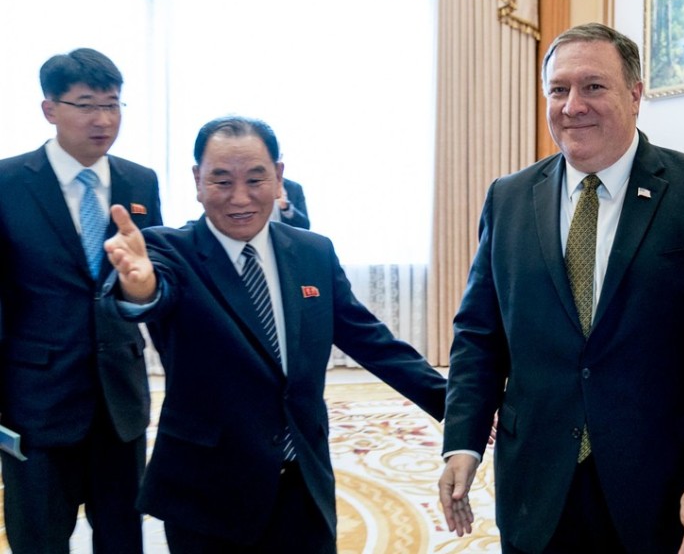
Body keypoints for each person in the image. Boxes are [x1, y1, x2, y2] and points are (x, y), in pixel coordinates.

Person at [438, 23, 684, 554]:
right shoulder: (508, 198)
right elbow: (480, 335)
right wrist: (462, 440)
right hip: (536, 481)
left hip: (660, 487)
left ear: (635, 94)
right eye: (559, 89)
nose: (573, 105)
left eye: (593, 86)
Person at [101, 115, 447, 552]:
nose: (239, 198)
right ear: (197, 180)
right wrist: (139, 285)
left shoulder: (311, 251)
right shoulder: (169, 250)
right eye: (222, 181)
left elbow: (368, 338)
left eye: (255, 179)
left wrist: (450, 401)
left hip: (302, 478)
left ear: (279, 176)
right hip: (209, 490)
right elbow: (153, 293)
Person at [0, 48, 163, 553]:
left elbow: (153, 279)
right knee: (40, 538)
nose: (103, 120)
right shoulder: (7, 183)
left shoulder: (140, 181)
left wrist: (147, 292)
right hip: (37, 403)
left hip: (120, 401)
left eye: (113, 105)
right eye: (87, 104)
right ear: (50, 109)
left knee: (122, 537)